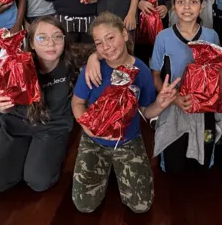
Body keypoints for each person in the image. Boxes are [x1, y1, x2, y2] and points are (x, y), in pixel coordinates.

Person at [71, 12, 179, 214]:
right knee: (84, 205)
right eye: (99, 42)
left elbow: (146, 111)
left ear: (125, 35)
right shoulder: (92, 69)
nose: (106, 46)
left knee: (141, 206)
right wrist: (89, 129)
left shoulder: (142, 71)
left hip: (127, 140)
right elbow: (77, 103)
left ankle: (115, 170)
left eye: (111, 38)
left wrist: (160, 103)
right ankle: (107, 171)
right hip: (95, 141)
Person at [0, 17, 82, 193]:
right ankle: (25, 151)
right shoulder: (15, 65)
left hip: (52, 127)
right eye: (42, 38)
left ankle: (38, 155)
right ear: (31, 42)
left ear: (64, 40)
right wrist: (2, 106)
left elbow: (103, 52)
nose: (50, 44)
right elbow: (4, 101)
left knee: (38, 182)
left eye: (57, 37)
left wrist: (93, 62)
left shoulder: (73, 63)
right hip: (17, 125)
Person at [151, 0, 222, 173]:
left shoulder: (211, 36)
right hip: (174, 105)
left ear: (202, 6)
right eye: (181, 2)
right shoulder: (163, 37)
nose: (187, 7)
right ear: (174, 6)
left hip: (203, 108)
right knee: (173, 169)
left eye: (193, 2)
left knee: (204, 166)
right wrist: (174, 99)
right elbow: (155, 76)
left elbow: (218, 73)